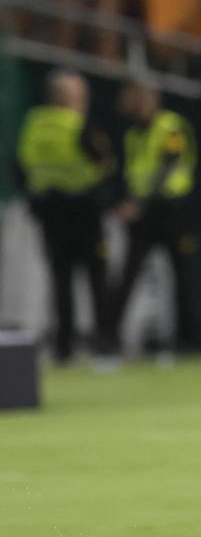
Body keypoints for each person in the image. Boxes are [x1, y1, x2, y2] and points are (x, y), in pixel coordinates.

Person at [16, 69, 116, 364]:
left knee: (60, 279)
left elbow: (21, 165)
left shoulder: (33, 123)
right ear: (68, 98)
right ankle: (104, 345)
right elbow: (104, 162)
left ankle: (64, 347)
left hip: (49, 210)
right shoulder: (79, 124)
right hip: (83, 209)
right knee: (96, 278)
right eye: (79, 94)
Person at [110, 81, 197, 355]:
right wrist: (129, 203)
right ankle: (109, 339)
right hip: (144, 215)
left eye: (136, 97)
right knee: (127, 275)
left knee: (183, 276)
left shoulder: (171, 125)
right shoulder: (132, 134)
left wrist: (138, 204)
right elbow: (134, 174)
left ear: (151, 99)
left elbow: (169, 163)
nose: (130, 103)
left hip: (172, 209)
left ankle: (187, 343)